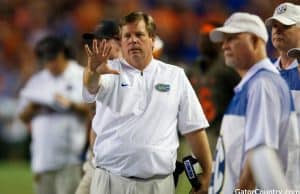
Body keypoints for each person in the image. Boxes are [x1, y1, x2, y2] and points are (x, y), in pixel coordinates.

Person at [82, 11, 212, 194]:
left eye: (139, 34)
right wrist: (92, 70)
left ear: (152, 39)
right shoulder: (108, 70)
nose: (133, 40)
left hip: (159, 185)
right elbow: (91, 86)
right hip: (110, 182)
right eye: (127, 36)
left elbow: (194, 127)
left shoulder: (175, 76)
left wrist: (206, 173)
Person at [208, 12, 298, 193]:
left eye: (232, 38)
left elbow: (260, 156)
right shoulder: (253, 83)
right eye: (224, 40)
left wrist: (241, 190)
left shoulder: (262, 84)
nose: (224, 45)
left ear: (256, 42)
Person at [17, 36, 89, 194]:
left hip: (71, 158)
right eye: (46, 60)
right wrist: (33, 107)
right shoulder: (38, 80)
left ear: (63, 53)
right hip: (42, 158)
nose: (51, 64)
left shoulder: (80, 75)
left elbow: (93, 109)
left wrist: (70, 104)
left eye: (54, 58)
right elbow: (22, 117)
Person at [75, 19, 122, 194]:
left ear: (118, 40)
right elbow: (90, 90)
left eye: (102, 39)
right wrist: (87, 153)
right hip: (96, 161)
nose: (96, 44)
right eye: (95, 40)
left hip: (122, 164)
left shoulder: (133, 68)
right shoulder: (92, 67)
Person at [265, 2, 300, 190]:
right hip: (267, 175)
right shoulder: (264, 71)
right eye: (275, 26)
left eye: (285, 26)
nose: (277, 30)